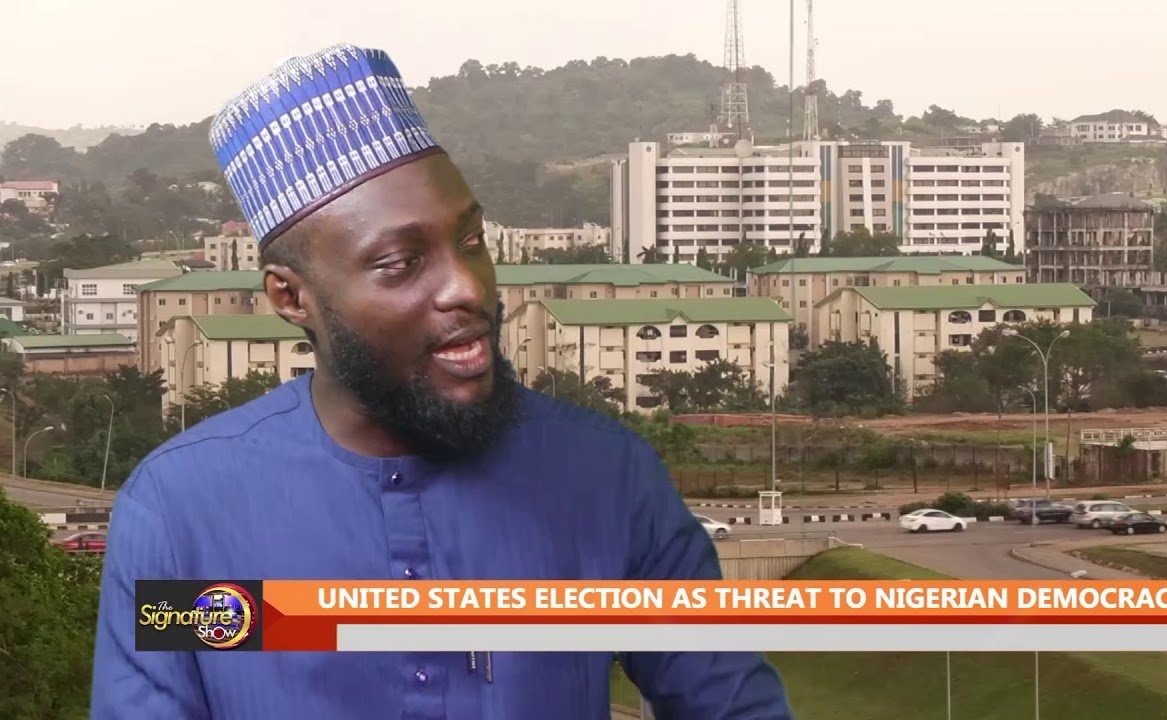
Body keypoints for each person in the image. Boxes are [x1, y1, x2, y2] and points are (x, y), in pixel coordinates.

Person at [90, 43, 793, 719]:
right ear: (291, 297)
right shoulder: (180, 512)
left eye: (472, 242)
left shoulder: (606, 475)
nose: (467, 288)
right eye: (401, 264)